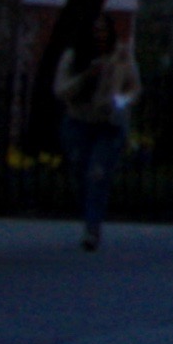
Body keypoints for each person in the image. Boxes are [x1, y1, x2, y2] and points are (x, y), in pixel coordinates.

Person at [52, 17, 136, 252]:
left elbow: (133, 88)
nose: (99, 36)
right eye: (95, 30)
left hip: (108, 124)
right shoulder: (73, 58)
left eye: (103, 30)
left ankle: (92, 228)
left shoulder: (121, 57)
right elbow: (60, 90)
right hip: (79, 121)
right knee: (81, 173)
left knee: (98, 174)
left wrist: (117, 102)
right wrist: (87, 76)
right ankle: (89, 215)